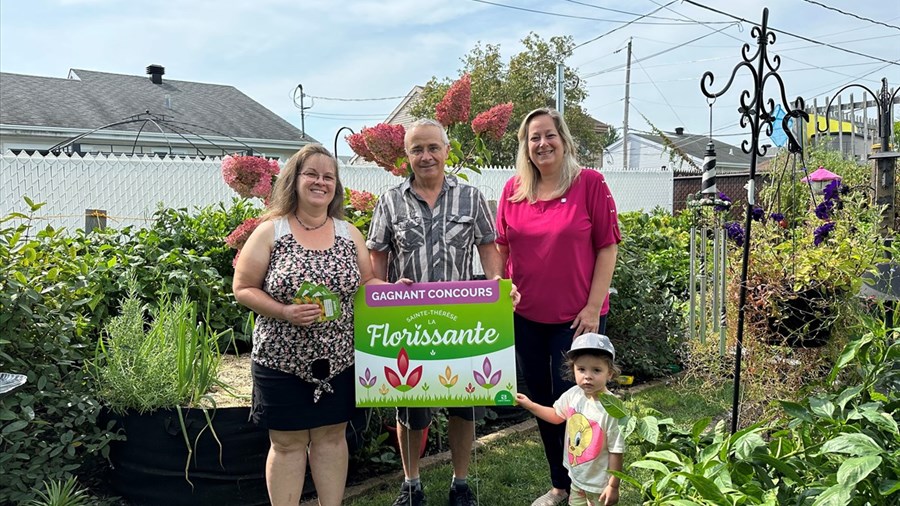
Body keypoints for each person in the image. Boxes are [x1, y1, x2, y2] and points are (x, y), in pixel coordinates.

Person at [367, 118, 512, 506]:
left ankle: (460, 483)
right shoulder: (390, 201)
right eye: (417, 149)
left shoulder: (471, 197)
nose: (426, 156)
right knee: (411, 409)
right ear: (407, 155)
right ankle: (411, 483)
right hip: (409, 325)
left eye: (433, 147)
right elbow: (376, 257)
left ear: (448, 151)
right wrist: (379, 292)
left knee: (463, 406)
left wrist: (497, 282)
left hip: (460, 322)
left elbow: (487, 245)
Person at [233, 144, 379, 506]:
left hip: (339, 361)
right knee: (287, 444)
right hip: (281, 361)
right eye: (311, 174)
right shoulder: (272, 231)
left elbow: (366, 285)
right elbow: (243, 287)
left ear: (336, 186)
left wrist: (395, 292)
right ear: (294, 180)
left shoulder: (349, 233)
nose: (320, 182)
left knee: (332, 438)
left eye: (328, 176)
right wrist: (283, 311)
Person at [495, 107, 620, 506]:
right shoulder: (513, 190)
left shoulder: (590, 184)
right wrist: (502, 287)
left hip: (578, 319)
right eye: (534, 137)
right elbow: (501, 246)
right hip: (525, 317)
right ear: (525, 146)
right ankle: (560, 485)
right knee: (546, 402)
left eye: (549, 135)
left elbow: (607, 246)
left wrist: (593, 306)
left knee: (580, 404)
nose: (542, 143)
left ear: (564, 140)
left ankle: (590, 484)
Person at [516, 333, 625, 506]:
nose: (587, 376)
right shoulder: (573, 394)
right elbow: (556, 416)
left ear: (610, 373)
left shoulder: (612, 409)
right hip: (576, 476)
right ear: (573, 369)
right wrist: (530, 405)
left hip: (599, 484)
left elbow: (616, 450)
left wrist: (613, 485)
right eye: (581, 369)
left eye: (596, 370)